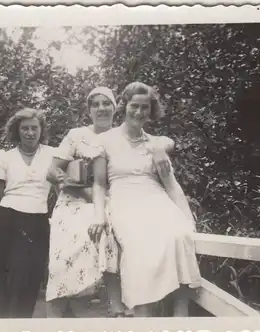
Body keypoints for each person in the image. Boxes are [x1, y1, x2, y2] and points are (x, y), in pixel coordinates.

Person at [90, 82, 201, 317]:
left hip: (157, 200)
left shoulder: (155, 144)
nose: (139, 113)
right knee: (139, 244)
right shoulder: (105, 140)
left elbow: (171, 185)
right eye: (134, 106)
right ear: (124, 106)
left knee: (180, 235)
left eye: (145, 108)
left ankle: (180, 319)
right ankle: (143, 317)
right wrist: (99, 215)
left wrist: (188, 219)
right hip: (124, 202)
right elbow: (99, 184)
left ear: (151, 111)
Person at [44, 87, 129, 318]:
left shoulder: (122, 137)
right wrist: (64, 179)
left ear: (115, 108)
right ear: (89, 110)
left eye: (106, 103)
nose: (101, 108)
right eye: (95, 104)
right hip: (73, 201)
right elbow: (52, 170)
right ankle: (57, 315)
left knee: (110, 229)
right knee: (66, 255)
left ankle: (115, 304)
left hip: (108, 201)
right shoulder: (76, 135)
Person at [0, 108, 55, 318]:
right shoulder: (6, 158)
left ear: (41, 130)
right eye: (25, 128)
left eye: (34, 128)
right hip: (6, 219)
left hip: (36, 221)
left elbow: (64, 187)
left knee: (28, 278)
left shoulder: (52, 155)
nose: (30, 133)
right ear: (17, 131)